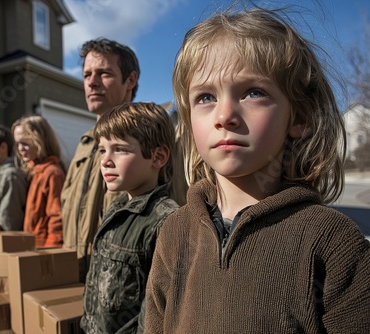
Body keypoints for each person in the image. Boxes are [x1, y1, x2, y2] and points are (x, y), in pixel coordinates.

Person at [143, 7, 370, 333]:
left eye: (253, 92)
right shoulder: (173, 232)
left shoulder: (335, 243)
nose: (224, 115)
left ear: (300, 117)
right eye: (205, 97)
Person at [81, 102, 179, 333]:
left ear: (158, 157)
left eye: (120, 149)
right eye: (102, 149)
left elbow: (157, 310)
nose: (105, 160)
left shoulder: (166, 221)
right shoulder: (117, 206)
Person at [60, 37, 141, 282]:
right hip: (76, 278)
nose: (92, 83)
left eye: (104, 73)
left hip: (122, 291)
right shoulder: (84, 144)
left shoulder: (146, 141)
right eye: (86, 75)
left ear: (130, 80)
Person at [12, 115, 65, 248]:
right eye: (17, 144)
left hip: (44, 250)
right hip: (33, 246)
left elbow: (57, 219)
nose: (20, 149)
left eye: (25, 143)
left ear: (40, 140)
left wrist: (50, 254)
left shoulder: (52, 173)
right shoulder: (36, 171)